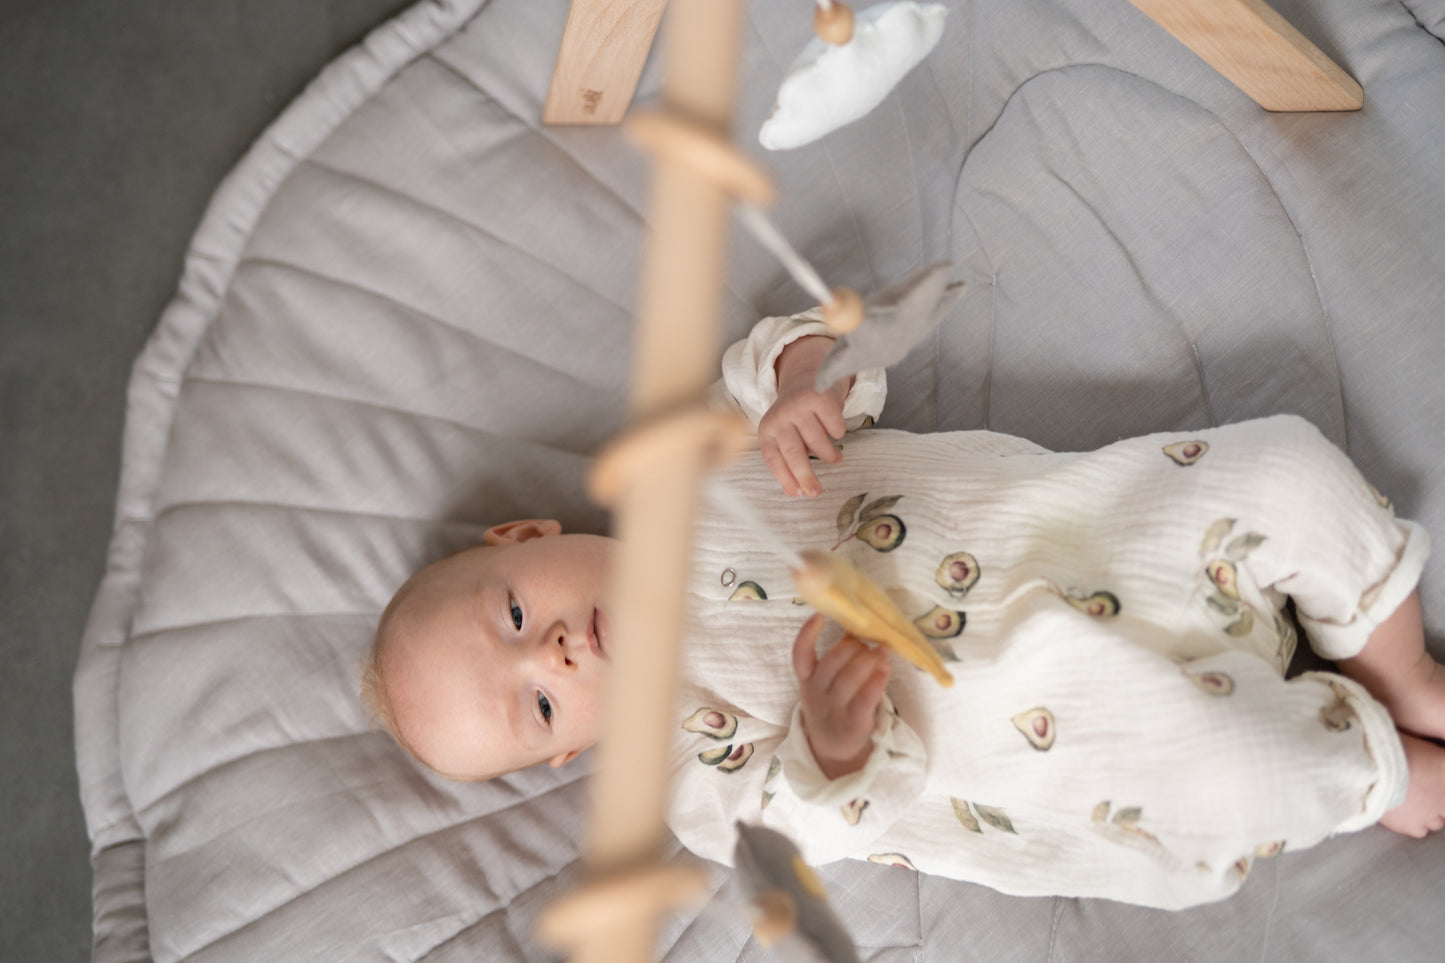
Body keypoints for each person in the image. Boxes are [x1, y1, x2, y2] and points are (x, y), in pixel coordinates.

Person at [363, 310, 1445, 909]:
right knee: (1229, 778)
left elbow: (798, 346)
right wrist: (828, 752)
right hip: (1066, 728)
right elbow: (802, 827)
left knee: (1290, 471)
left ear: (524, 538)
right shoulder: (684, 777)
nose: (550, 655)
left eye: (510, 618)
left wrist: (803, 385)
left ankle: (1395, 670)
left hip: (1107, 534)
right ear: (567, 756)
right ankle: (1376, 772)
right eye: (539, 708)